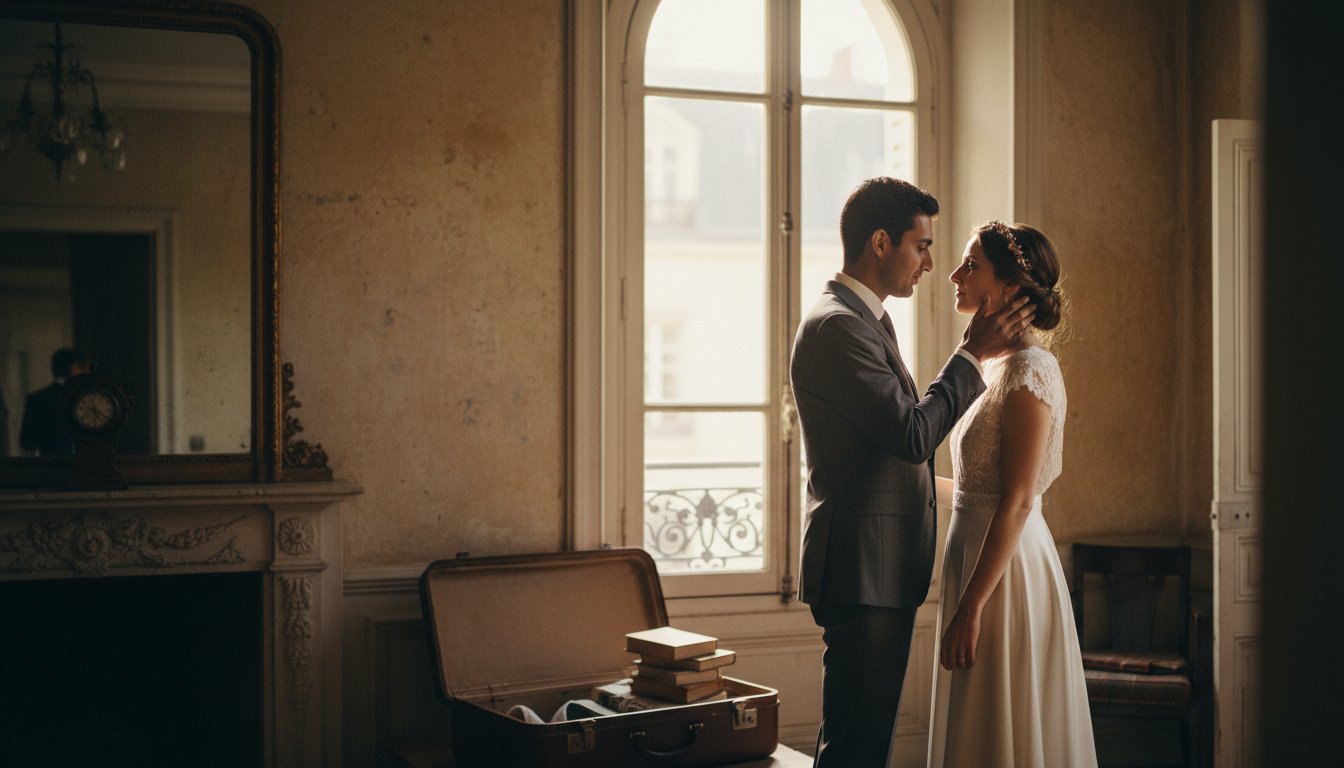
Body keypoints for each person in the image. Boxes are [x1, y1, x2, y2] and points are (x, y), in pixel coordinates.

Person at [789, 177, 1034, 768]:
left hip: (877, 568)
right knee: (856, 747)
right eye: (921, 246)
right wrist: (971, 353)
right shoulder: (838, 326)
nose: (931, 264)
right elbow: (912, 435)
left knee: (860, 741)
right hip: (862, 569)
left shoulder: (863, 318)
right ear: (880, 243)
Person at [927, 221, 1097, 767]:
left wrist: (971, 607)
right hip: (976, 562)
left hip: (1004, 576)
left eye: (970, 265)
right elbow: (979, 487)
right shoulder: (994, 365)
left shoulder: (1030, 370)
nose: (954, 274)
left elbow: (1018, 499)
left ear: (1009, 288)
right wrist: (903, 484)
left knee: (1006, 727)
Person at [19, 347, 91, 457]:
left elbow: (27, 443)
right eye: (84, 369)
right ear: (75, 368)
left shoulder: (37, 399)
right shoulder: (86, 398)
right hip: (86, 467)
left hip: (49, 468)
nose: (87, 374)